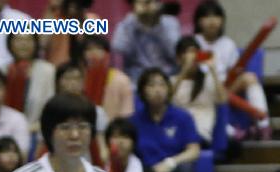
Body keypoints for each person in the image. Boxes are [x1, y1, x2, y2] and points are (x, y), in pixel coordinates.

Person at [193, 0, 271, 139]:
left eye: (216, 16)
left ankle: (263, 124)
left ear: (222, 20)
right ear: (198, 21)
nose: (212, 21)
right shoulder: (193, 42)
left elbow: (234, 71)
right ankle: (233, 133)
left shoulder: (228, 43)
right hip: (202, 89)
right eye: (207, 16)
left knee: (249, 78)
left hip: (225, 88)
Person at [171, 36, 228, 148]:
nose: (192, 57)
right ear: (178, 59)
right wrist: (184, 70)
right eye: (187, 53)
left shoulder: (209, 79)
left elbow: (223, 100)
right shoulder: (172, 81)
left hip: (200, 134)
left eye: (195, 52)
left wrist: (213, 70)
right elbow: (166, 101)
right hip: (176, 134)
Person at [112, 0, 181, 83]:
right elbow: (119, 48)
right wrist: (135, 22)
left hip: (168, 74)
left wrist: (156, 24)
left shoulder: (170, 22)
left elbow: (174, 52)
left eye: (149, 2)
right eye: (142, 3)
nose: (146, 6)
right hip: (137, 77)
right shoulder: (127, 24)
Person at [4, 33, 55, 137]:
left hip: (37, 132)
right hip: (5, 132)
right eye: (18, 40)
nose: (24, 44)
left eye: (28, 40)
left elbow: (51, 109)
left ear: (36, 44)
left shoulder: (48, 71)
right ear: (9, 44)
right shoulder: (2, 71)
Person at [81, 35, 136, 123]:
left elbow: (126, 114)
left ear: (107, 53)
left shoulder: (121, 80)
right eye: (89, 49)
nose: (93, 53)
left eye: (99, 48)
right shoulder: (78, 79)